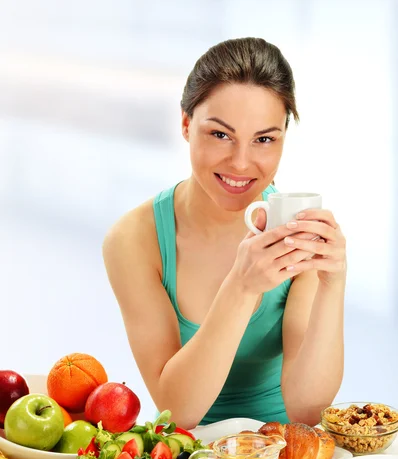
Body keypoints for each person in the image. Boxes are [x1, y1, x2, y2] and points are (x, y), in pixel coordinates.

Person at [103, 37, 346, 430]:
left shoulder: (297, 233)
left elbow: (306, 410)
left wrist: (333, 283)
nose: (240, 163)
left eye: (264, 139)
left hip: (284, 458)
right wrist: (242, 287)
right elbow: (177, 413)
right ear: (186, 124)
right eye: (220, 134)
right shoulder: (134, 239)